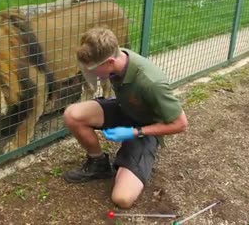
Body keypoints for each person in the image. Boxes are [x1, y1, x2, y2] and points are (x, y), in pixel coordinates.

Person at [63, 27, 188, 208]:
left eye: (92, 69)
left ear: (110, 62)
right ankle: (98, 164)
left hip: (146, 125)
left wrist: (135, 132)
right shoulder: (118, 59)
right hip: (125, 108)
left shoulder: (151, 82)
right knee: (72, 115)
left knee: (122, 198)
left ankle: (137, 155)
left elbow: (181, 124)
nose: (89, 73)